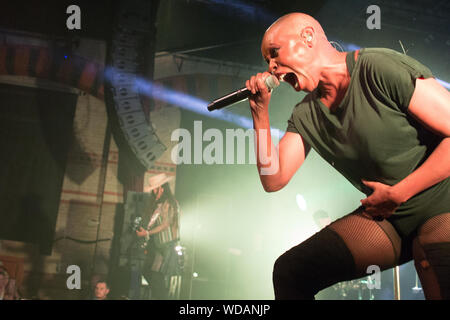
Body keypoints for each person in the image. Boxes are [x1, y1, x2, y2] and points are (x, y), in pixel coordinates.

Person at [245, 12, 450, 300]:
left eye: (275, 54)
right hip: (390, 215)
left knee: (432, 261)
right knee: (291, 271)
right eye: (267, 61)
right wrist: (260, 114)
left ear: (307, 37)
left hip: (442, 198)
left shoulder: (376, 66)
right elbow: (273, 179)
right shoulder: (307, 114)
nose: (271, 67)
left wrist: (401, 192)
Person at [131, 173, 180, 299]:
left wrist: (147, 233)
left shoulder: (169, 203)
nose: (153, 192)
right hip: (158, 245)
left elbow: (166, 224)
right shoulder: (160, 205)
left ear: (162, 188)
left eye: (155, 189)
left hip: (166, 245)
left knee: (155, 274)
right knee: (150, 273)